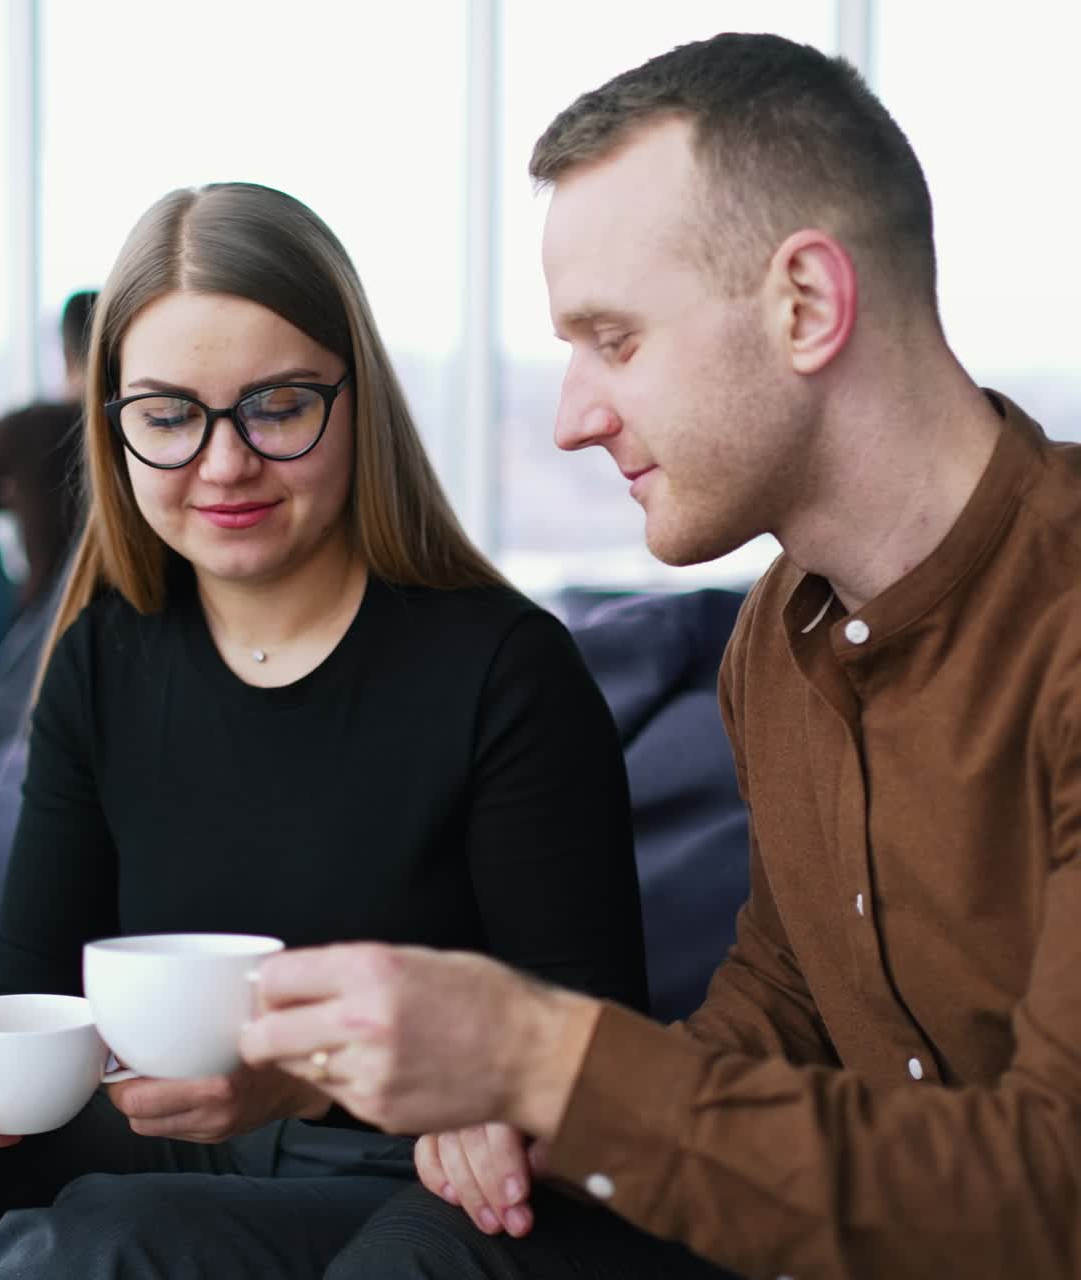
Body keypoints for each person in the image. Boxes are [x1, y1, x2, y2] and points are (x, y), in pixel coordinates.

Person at [238, 32, 1081, 1280]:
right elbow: (787, 1003)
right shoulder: (773, 639)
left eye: (612, 340)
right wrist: (530, 1104)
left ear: (805, 304)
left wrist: (543, 1053)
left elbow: (1055, 1193)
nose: (574, 415)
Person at [0, 183, 651, 1278]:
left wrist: (354, 1083)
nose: (221, 462)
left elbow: (598, 1051)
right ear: (113, 427)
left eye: (278, 404)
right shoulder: (103, 660)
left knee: (94, 1248)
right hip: (173, 1139)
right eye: (166, 416)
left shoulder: (502, 668)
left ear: (357, 400)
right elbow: (32, 1001)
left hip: (415, 1163)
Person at [0, 289, 97, 673]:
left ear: (65, 354)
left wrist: (7, 501)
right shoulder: (146, 431)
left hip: (37, 634)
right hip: (127, 622)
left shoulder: (23, 431)